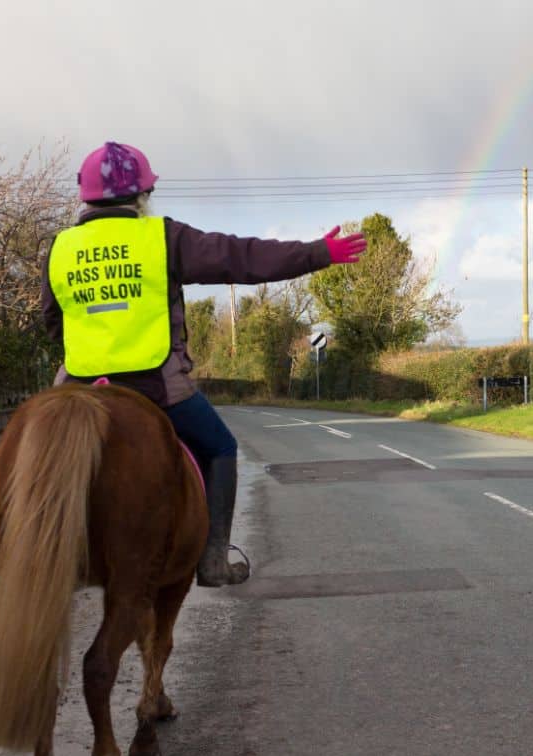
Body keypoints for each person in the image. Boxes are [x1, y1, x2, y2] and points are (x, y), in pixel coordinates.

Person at [41, 141, 367, 587]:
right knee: (219, 448)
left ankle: (44, 557)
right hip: (154, 386)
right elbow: (242, 258)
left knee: (36, 459)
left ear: (86, 196)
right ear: (142, 196)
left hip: (78, 387)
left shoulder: (61, 248)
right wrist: (318, 253)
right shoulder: (162, 237)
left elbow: (50, 322)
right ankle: (213, 560)